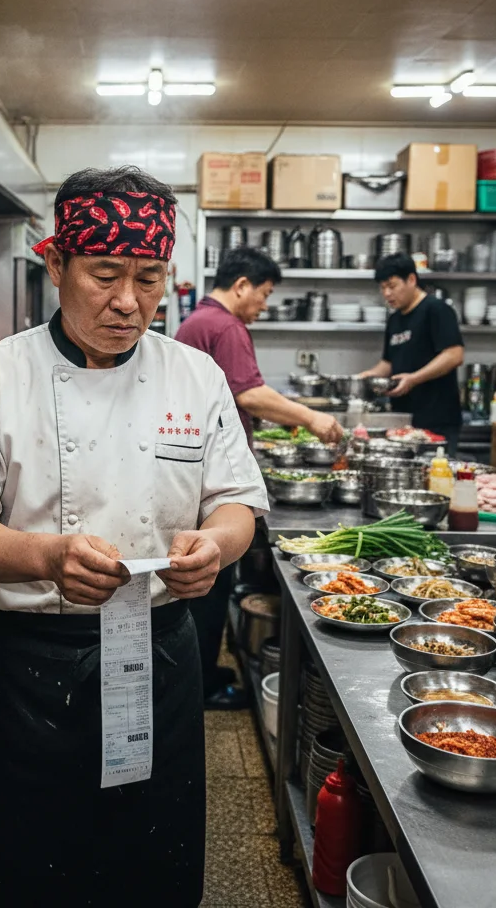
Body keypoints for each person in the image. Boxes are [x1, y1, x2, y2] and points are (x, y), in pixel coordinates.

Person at [0, 166, 268, 907]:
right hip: (36, 660)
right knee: (34, 863)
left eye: (149, 278)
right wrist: (45, 556)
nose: (128, 301)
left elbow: (237, 504)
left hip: (162, 649)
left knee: (153, 857)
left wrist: (217, 546)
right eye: (105, 275)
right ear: (55, 264)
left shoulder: (195, 376)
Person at [175, 246, 343, 709]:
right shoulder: (225, 325)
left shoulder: (198, 321)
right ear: (242, 285)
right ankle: (202, 686)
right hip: (211, 476)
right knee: (211, 583)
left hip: (193, 467)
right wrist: (312, 418)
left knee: (200, 582)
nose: (264, 305)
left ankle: (200, 674)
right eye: (264, 294)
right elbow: (248, 393)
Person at [359, 252, 465, 454]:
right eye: (382, 288)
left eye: (392, 286)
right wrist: (364, 378)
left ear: (411, 279)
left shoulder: (436, 310)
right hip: (404, 419)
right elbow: (388, 363)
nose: (387, 294)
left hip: (437, 420)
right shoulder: (395, 319)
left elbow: (454, 355)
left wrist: (413, 379)